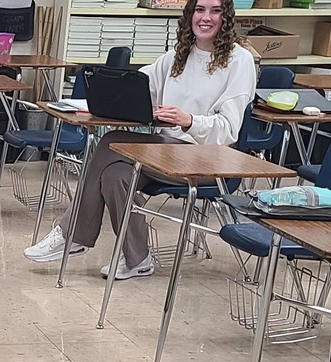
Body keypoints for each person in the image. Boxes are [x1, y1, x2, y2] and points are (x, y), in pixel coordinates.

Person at [24, 0, 256, 280]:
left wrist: (190, 121)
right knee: (114, 174)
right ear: (190, 14)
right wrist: (91, 102)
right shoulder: (177, 56)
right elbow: (137, 86)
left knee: (110, 142)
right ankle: (138, 259)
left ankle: (71, 233)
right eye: (199, 10)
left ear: (226, 17)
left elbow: (229, 129)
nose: (206, 18)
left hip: (209, 159)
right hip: (166, 151)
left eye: (215, 11)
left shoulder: (239, 61)